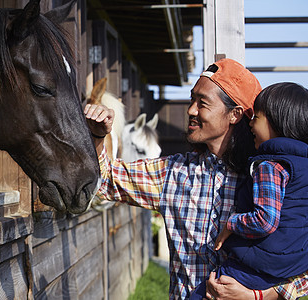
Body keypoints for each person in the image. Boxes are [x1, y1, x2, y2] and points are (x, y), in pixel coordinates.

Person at [84, 58, 308, 299]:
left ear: (234, 114)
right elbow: (105, 180)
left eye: (202, 103)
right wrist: (98, 136)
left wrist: (261, 295)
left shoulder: (273, 175)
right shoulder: (172, 173)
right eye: (192, 99)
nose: (190, 110)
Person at [189, 82, 308, 300]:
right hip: (290, 269)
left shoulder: (270, 165)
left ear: (276, 122)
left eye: (257, 117)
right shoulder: (302, 166)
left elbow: (265, 220)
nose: (250, 123)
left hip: (253, 268)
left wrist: (231, 223)